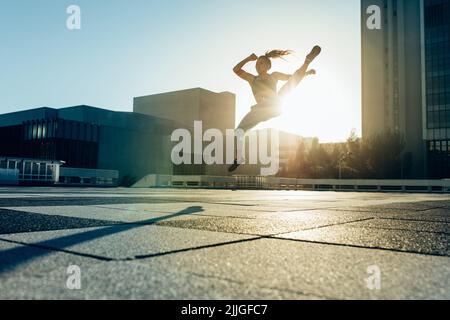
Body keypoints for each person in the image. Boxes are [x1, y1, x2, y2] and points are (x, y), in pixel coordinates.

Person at [228, 46, 322, 172]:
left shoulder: (274, 75)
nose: (257, 65)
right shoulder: (252, 79)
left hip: (274, 104)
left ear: (268, 66)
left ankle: (307, 60)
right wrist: (248, 59)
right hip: (259, 110)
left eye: (260, 63)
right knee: (238, 131)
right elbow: (236, 69)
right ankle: (239, 158)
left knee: (289, 86)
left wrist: (306, 73)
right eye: (256, 64)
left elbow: (291, 78)